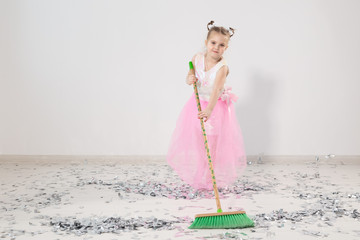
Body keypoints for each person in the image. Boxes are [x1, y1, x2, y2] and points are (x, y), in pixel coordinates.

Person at [167, 21, 246, 190]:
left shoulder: (222, 68)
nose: (216, 47)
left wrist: (209, 110)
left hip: (215, 107)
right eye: (213, 43)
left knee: (212, 143)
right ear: (206, 43)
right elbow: (191, 74)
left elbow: (217, 89)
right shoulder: (197, 58)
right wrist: (189, 78)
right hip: (197, 104)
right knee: (198, 140)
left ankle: (211, 175)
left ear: (226, 48)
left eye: (222, 45)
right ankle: (201, 170)